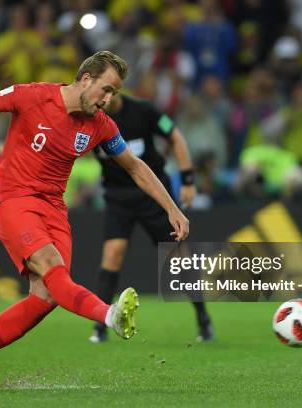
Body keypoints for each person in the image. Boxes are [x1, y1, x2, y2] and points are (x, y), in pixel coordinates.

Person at [0, 51, 190, 389]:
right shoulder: (32, 95)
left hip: (54, 207)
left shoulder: (100, 125)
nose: (109, 100)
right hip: (14, 199)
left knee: (47, 295)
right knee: (52, 266)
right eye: (107, 89)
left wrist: (171, 207)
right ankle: (109, 315)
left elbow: (135, 167)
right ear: (86, 78)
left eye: (115, 94)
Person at [90, 93, 214, 343]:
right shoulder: (90, 117)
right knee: (113, 253)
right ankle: (100, 327)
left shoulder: (144, 111)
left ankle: (203, 319)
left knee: (179, 258)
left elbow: (175, 136)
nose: (104, 96)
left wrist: (188, 179)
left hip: (153, 193)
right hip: (117, 196)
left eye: (109, 90)